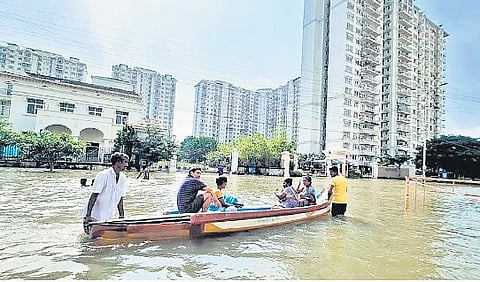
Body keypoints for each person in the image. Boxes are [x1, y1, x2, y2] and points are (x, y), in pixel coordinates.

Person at [82, 152, 129, 233]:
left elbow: (120, 198)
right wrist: (88, 215)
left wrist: (122, 217)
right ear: (118, 162)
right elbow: (94, 195)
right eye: (125, 162)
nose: (127, 165)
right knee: (92, 241)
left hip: (107, 217)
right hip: (94, 216)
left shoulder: (123, 178)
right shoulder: (103, 175)